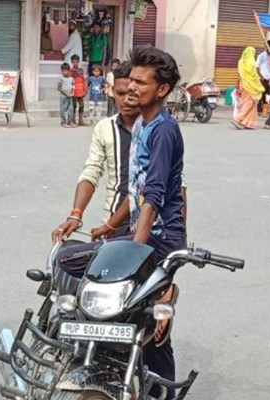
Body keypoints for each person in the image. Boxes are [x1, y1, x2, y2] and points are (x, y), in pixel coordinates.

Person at [57, 46, 185, 399]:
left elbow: (154, 197)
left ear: (161, 90)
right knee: (67, 258)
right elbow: (135, 190)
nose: (132, 89)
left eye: (141, 84)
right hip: (136, 230)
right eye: (129, 82)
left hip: (156, 239)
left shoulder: (163, 131)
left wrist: (135, 254)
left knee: (152, 330)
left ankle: (165, 294)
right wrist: (109, 226)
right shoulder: (143, 124)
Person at [52, 61, 138, 242]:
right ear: (112, 92)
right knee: (66, 259)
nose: (126, 100)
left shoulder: (157, 128)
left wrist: (179, 236)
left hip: (149, 224)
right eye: (120, 93)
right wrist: (76, 214)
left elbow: (177, 183)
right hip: (113, 221)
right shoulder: (105, 128)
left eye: (132, 94)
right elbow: (91, 171)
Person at [232, 47, 264, 130]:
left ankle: (249, 123)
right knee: (249, 103)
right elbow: (254, 76)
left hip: (243, 84)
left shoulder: (241, 62)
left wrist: (237, 86)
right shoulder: (252, 64)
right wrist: (259, 84)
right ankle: (237, 118)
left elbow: (238, 75)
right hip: (250, 86)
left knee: (252, 105)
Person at [256, 40, 270, 113]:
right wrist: (262, 77)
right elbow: (257, 67)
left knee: (267, 95)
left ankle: (265, 109)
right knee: (261, 94)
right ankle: (259, 109)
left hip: (269, 78)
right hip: (263, 78)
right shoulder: (261, 56)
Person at [70, 54, 87, 126]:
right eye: (74, 62)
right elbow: (69, 81)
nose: (75, 64)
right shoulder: (70, 71)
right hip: (74, 91)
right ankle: (73, 121)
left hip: (81, 91)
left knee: (82, 105)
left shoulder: (81, 70)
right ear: (71, 62)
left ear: (79, 62)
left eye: (77, 62)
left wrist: (85, 90)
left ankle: (81, 121)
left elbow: (84, 80)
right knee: (74, 106)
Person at [58, 62, 74, 128]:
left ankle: (69, 122)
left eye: (65, 71)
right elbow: (59, 88)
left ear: (68, 71)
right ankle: (63, 122)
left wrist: (72, 92)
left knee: (70, 109)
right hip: (63, 96)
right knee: (63, 109)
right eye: (63, 71)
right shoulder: (61, 78)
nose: (64, 72)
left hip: (70, 96)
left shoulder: (71, 78)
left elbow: (73, 86)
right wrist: (65, 93)